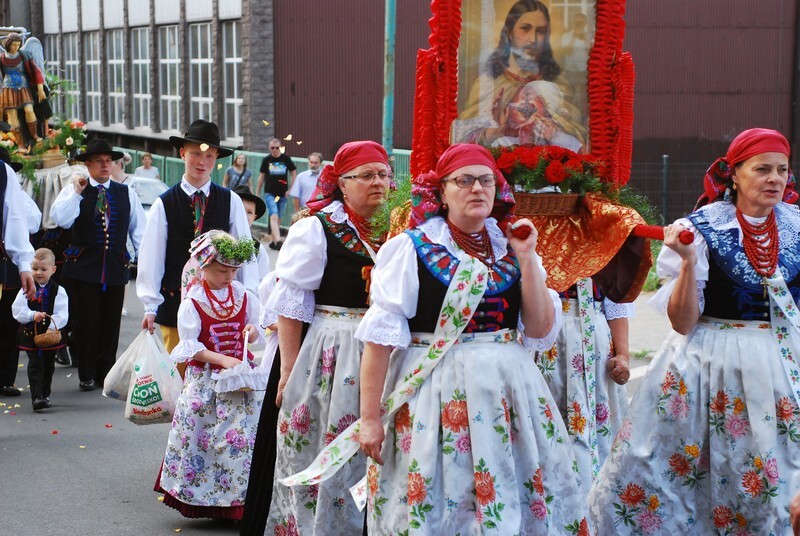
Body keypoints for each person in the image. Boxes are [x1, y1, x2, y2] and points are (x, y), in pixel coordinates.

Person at [353, 143, 588, 532]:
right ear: (442, 192)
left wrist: (528, 257)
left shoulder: (513, 245)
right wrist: (369, 418)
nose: (477, 189)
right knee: (441, 498)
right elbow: (379, 341)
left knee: (512, 493)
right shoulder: (412, 248)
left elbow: (540, 328)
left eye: (486, 181)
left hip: (508, 394)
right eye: (464, 180)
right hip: (434, 396)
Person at [588, 128, 800, 532]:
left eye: (783, 170)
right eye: (763, 169)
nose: (775, 179)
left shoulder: (797, 227)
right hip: (705, 364)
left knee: (773, 477)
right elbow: (682, 322)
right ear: (734, 174)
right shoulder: (701, 228)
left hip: (778, 365)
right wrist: (686, 261)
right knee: (675, 474)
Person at [260, 140, 390, 535]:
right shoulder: (317, 228)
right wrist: (289, 369)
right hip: (333, 348)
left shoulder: (400, 228)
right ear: (342, 183)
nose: (379, 183)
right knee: (325, 447)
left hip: (385, 348)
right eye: (367, 175)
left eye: (384, 174)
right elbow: (292, 303)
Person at [155, 230, 263, 520]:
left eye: (233, 271)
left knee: (242, 438)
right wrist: (220, 359)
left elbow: (257, 328)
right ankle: (205, 499)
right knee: (202, 434)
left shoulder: (243, 295)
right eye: (222, 271)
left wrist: (252, 332)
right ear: (203, 267)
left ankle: (241, 502)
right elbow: (190, 347)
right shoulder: (193, 301)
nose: (229, 277)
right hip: (206, 381)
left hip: (240, 380)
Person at [137, 119, 258, 353]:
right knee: (181, 374)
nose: (202, 162)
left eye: (210, 156)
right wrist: (150, 306)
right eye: (195, 154)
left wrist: (249, 302)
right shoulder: (164, 203)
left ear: (216, 159)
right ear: (182, 153)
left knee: (220, 373)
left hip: (223, 307)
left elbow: (246, 255)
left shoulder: (230, 200)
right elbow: (152, 257)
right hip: (176, 304)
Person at [50, 138, 145, 391]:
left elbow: (139, 231)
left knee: (110, 322)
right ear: (88, 164)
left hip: (114, 266)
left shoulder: (126, 193)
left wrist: (140, 261)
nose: (105, 165)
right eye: (99, 161)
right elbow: (60, 218)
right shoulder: (77, 190)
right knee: (87, 322)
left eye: (108, 161)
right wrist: (76, 192)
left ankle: (106, 372)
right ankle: (86, 373)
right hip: (83, 267)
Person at [453, 0, 585, 150]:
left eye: (540, 31)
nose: (533, 39)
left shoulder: (559, 85)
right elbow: (462, 140)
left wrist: (553, 131)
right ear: (509, 32)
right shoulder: (489, 83)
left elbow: (578, 138)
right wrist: (494, 132)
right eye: (525, 28)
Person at [535, 278, 632, 480]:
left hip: (595, 343)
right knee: (550, 417)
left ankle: (599, 486)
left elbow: (616, 303)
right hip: (550, 337)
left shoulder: (604, 248)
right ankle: (556, 484)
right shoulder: (540, 248)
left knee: (596, 416)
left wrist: (623, 355)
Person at [11, 247, 68, 411]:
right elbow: (17, 310)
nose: (39, 273)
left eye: (43, 269)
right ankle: (36, 397)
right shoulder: (25, 289)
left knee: (48, 365)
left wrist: (51, 327)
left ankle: (45, 394)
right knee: (35, 364)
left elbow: (62, 313)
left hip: (50, 336)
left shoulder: (59, 291)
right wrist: (32, 315)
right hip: (30, 333)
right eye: (34, 269)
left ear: (53, 269)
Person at [0, 148, 36, 397]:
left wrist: (24, 263)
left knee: (6, 327)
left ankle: (4, 378)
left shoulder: (4, 172)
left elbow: (15, 217)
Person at [0, 33, 46, 153]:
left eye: (18, 45)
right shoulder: (2, 58)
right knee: (12, 116)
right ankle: (20, 144)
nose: (16, 47)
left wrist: (40, 88)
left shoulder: (24, 54)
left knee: (29, 110)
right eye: (14, 45)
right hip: (8, 88)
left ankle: (35, 135)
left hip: (24, 87)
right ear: (8, 44)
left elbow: (36, 70)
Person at [256, 138, 296, 250]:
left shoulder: (286, 159)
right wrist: (257, 192)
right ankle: (278, 241)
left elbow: (293, 173)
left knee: (279, 217)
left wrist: (290, 189)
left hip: (282, 193)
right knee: (273, 215)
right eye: (272, 148)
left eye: (276, 147)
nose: (274, 150)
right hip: (270, 192)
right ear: (269, 148)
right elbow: (261, 176)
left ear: (280, 147)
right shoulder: (267, 160)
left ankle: (273, 241)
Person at [230, 184, 270, 280]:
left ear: (254, 217)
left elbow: (263, 282)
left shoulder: (258, 249)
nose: (245, 216)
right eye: (240, 210)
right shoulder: (217, 242)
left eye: (249, 212)